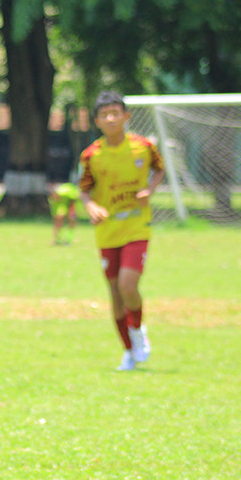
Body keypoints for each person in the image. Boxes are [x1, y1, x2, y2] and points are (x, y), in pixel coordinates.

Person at [78, 91, 165, 371]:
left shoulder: (143, 147)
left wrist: (148, 191)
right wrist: (91, 207)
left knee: (128, 285)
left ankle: (138, 331)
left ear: (126, 117)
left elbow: (160, 170)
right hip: (107, 232)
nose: (111, 118)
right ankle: (128, 350)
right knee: (115, 293)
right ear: (97, 121)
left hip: (137, 226)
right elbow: (84, 191)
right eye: (105, 115)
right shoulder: (92, 155)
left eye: (116, 113)